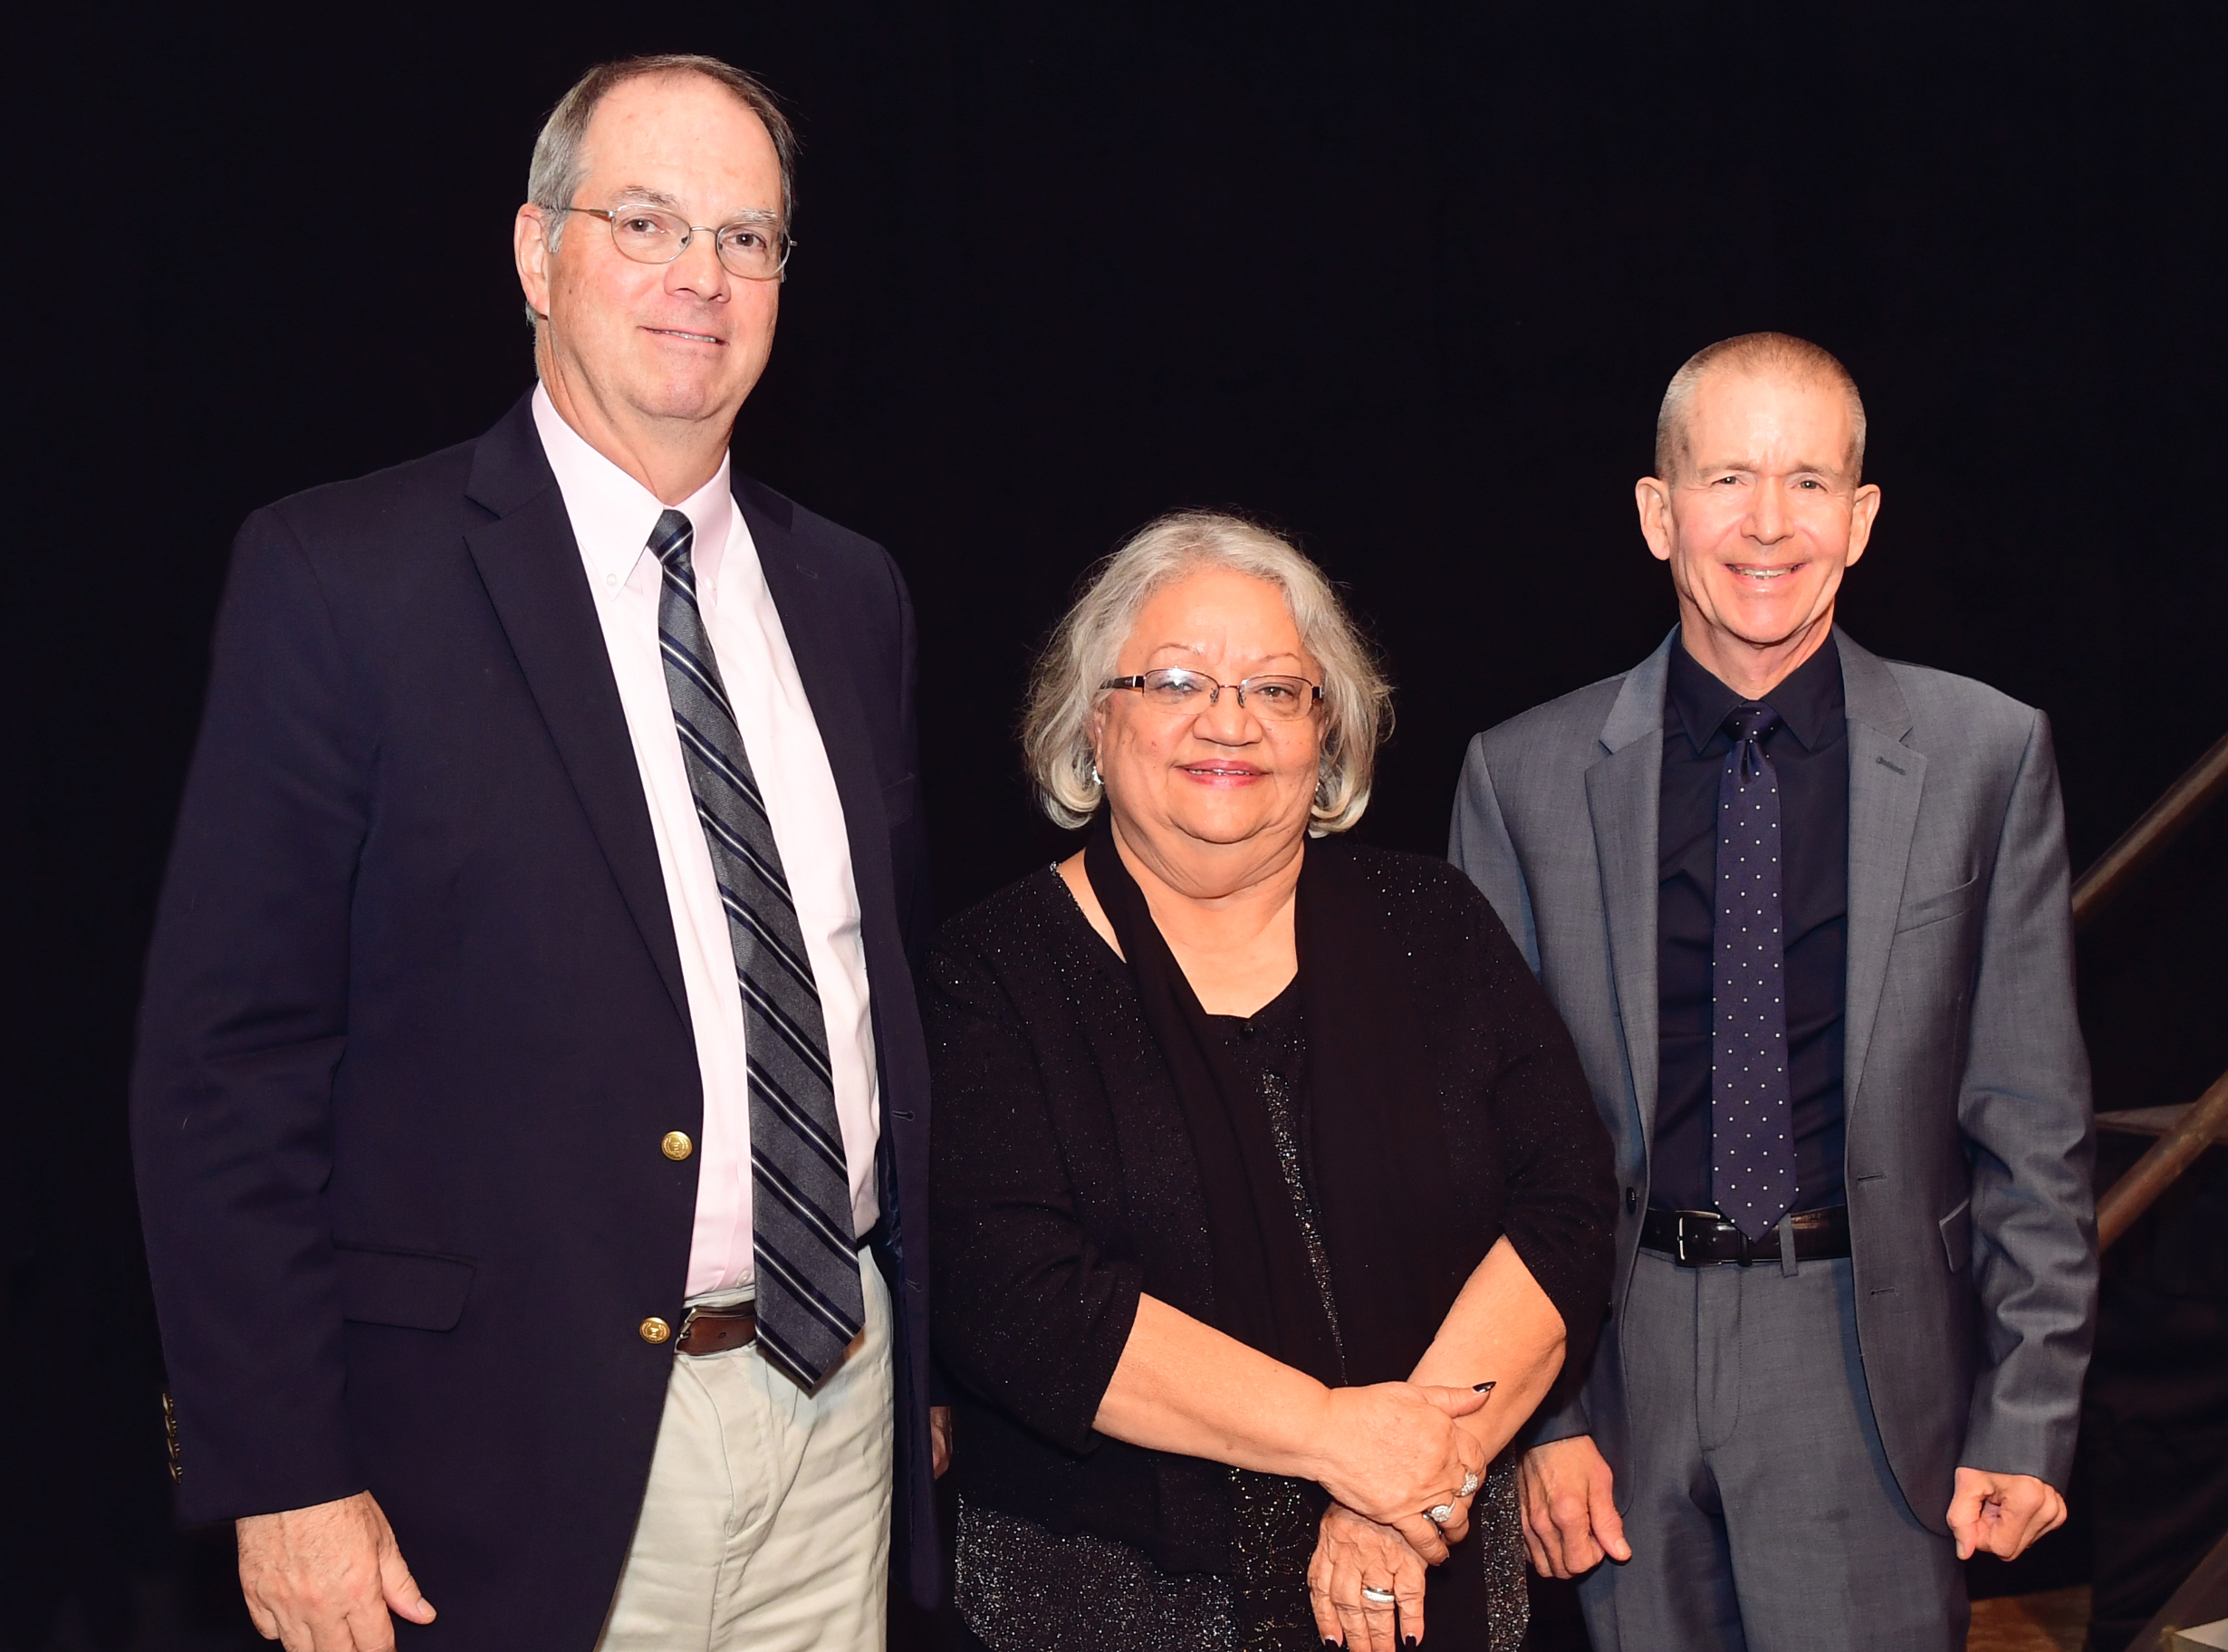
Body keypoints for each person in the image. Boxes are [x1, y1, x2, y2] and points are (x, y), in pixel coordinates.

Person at [130, 54, 938, 1652]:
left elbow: (871, 988)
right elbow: (229, 1062)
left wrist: (924, 1360)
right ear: (534, 252)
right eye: (645, 221)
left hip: (836, 1409)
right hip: (498, 1467)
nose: (700, 277)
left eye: (748, 237)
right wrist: (282, 1470)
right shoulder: (341, 578)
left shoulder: (854, 593)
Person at [1448, 332, 2097, 1649]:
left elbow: (2034, 1120)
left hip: (1870, 1376)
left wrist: (2028, 1416)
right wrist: (1536, 1423)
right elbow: (1477, 1145)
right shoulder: (1521, 778)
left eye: (1809, 483)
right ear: (1657, 511)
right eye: (1727, 477)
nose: (1765, 523)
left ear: (1860, 522)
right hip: (1617, 1371)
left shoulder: (1986, 754)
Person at [926, 511, 1617, 1652]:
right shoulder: (990, 974)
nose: (1228, 721)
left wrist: (1400, 1495)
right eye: (1178, 680)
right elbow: (1022, 1300)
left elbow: (1567, 1210)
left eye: (1277, 689)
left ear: (1326, 731)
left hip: (1428, 1583)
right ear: (1097, 720)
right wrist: (1341, 1443)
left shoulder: (1432, 925)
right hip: (1112, 1608)